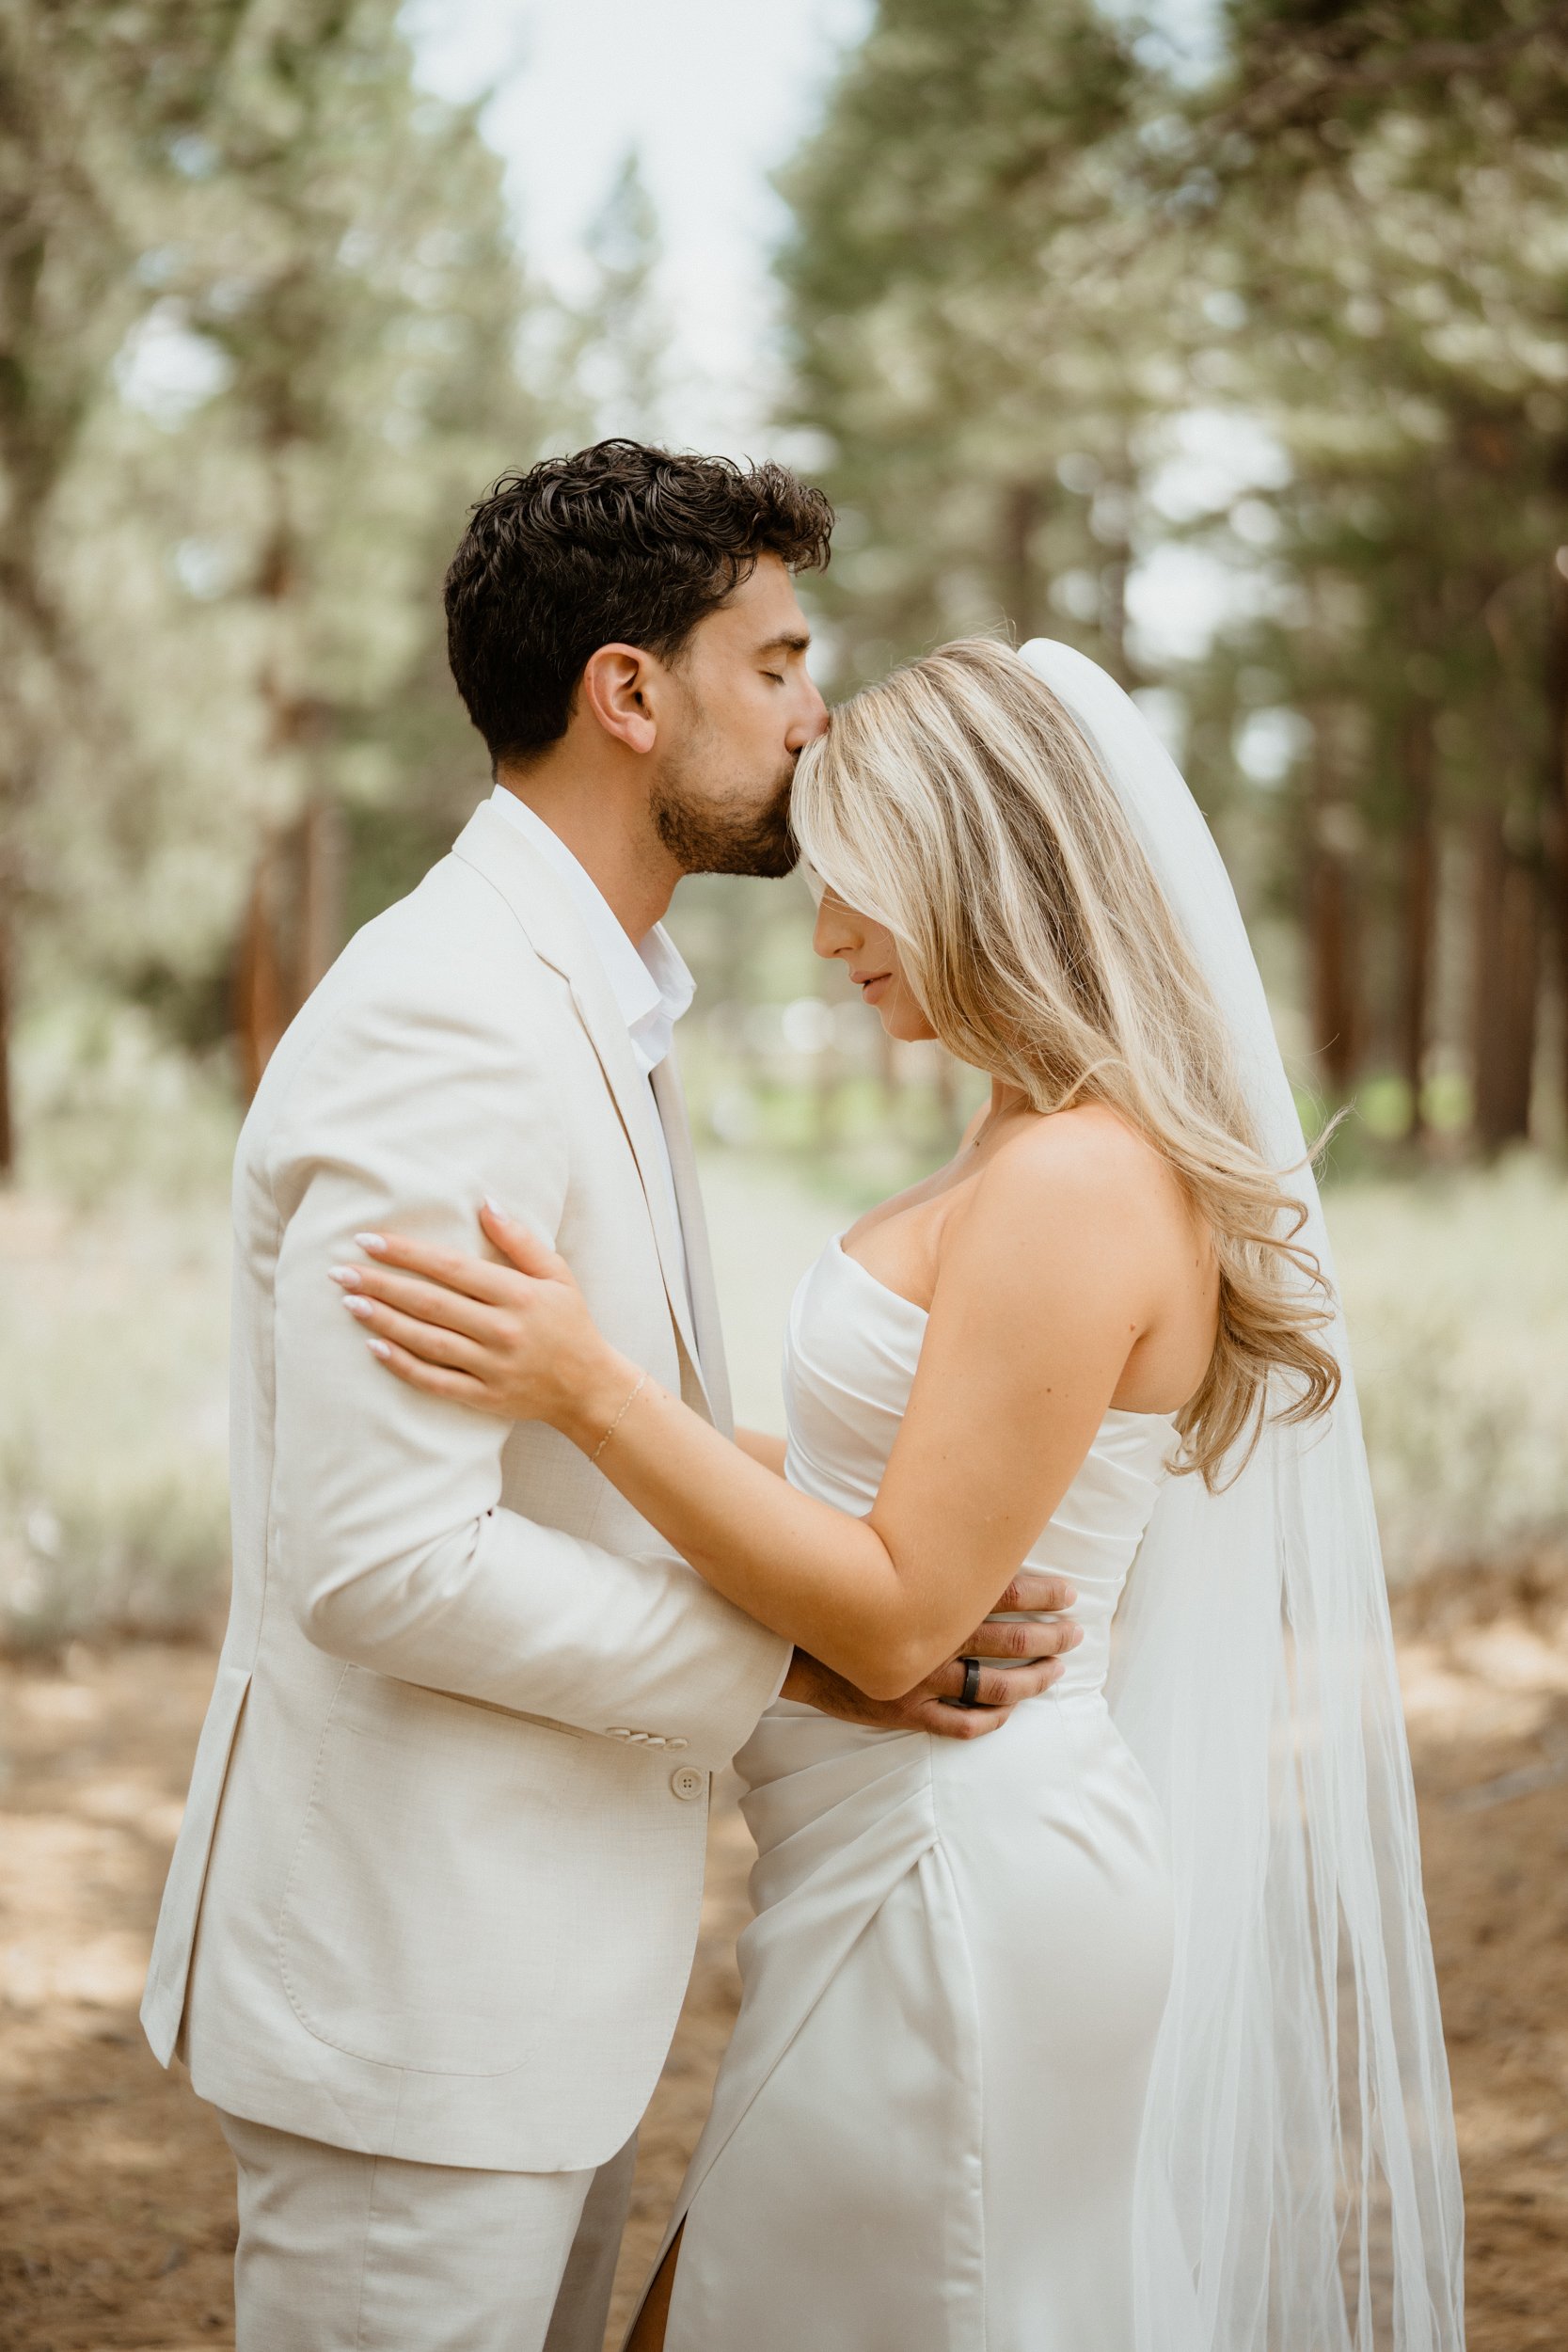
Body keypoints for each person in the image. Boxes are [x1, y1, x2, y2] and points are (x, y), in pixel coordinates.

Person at [347, 636, 1466, 2351]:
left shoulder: (1078, 1179)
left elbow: (894, 1620)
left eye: (857, 887)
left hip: (960, 1861)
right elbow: (878, 1481)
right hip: (892, 1861)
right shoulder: (1023, 1140)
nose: (827, 937)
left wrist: (587, 1390)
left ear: (975, 874)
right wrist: (571, 1425)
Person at [139, 447, 1082, 2352]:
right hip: (413, 2003)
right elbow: (387, 1558)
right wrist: (815, 1656)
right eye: (781, 661)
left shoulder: (598, 990)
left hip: (537, 1990)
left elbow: (592, 1424)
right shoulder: (448, 1017)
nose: (822, 718)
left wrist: (898, 1551)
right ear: (629, 692)